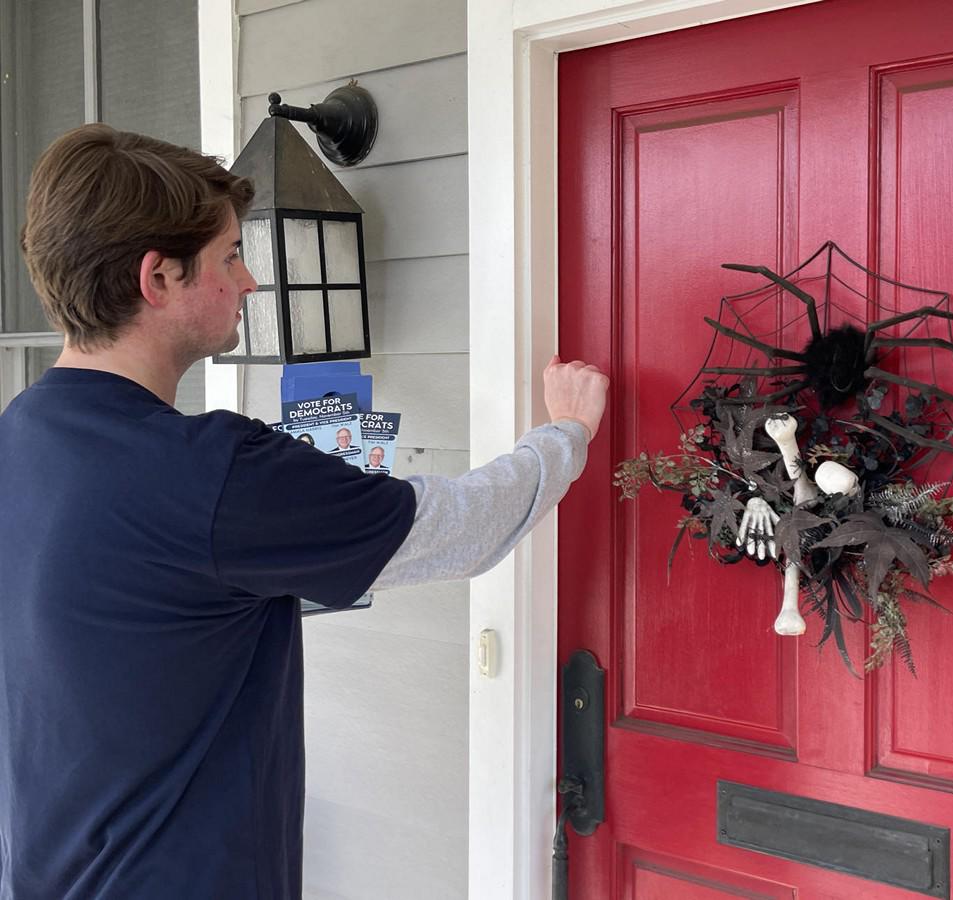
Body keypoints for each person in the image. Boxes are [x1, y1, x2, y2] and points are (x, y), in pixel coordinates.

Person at [0, 124, 608, 899]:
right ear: (158, 279)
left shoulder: (18, 438)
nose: (251, 282)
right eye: (229, 257)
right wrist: (568, 432)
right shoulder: (210, 474)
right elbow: (459, 530)